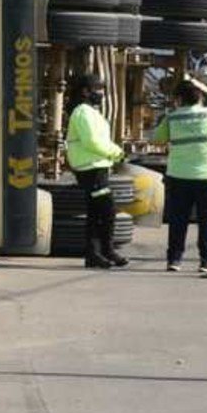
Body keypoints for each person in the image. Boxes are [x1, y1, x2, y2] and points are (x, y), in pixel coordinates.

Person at [153, 75, 207, 275]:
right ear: (200, 97)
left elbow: (157, 138)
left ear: (179, 99)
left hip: (179, 175)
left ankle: (174, 259)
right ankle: (206, 260)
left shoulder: (172, 117)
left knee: (178, 219)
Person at [64, 73, 127, 269]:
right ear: (85, 91)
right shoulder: (82, 112)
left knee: (96, 212)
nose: (101, 94)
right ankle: (104, 250)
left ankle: (96, 253)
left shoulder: (90, 112)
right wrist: (117, 153)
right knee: (107, 210)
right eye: (98, 89)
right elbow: (92, 141)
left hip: (97, 167)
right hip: (91, 168)